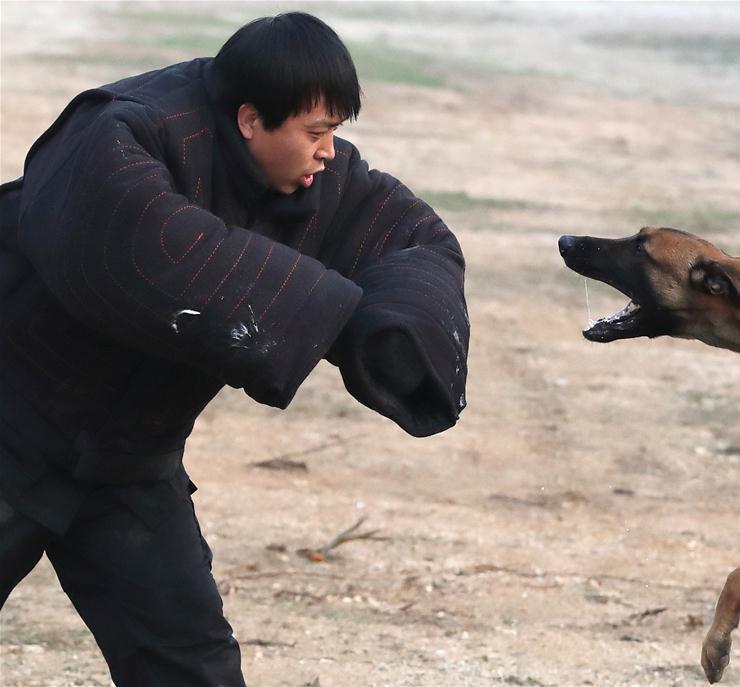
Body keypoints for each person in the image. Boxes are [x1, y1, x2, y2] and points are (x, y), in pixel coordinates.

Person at [0, 12, 468, 686]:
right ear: (250, 120)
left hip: (129, 461)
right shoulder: (122, 133)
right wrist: (326, 309)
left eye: (334, 133)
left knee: (193, 665)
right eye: (315, 133)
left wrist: (390, 335)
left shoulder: (312, 179)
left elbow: (411, 240)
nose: (327, 153)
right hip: (12, 432)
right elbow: (153, 248)